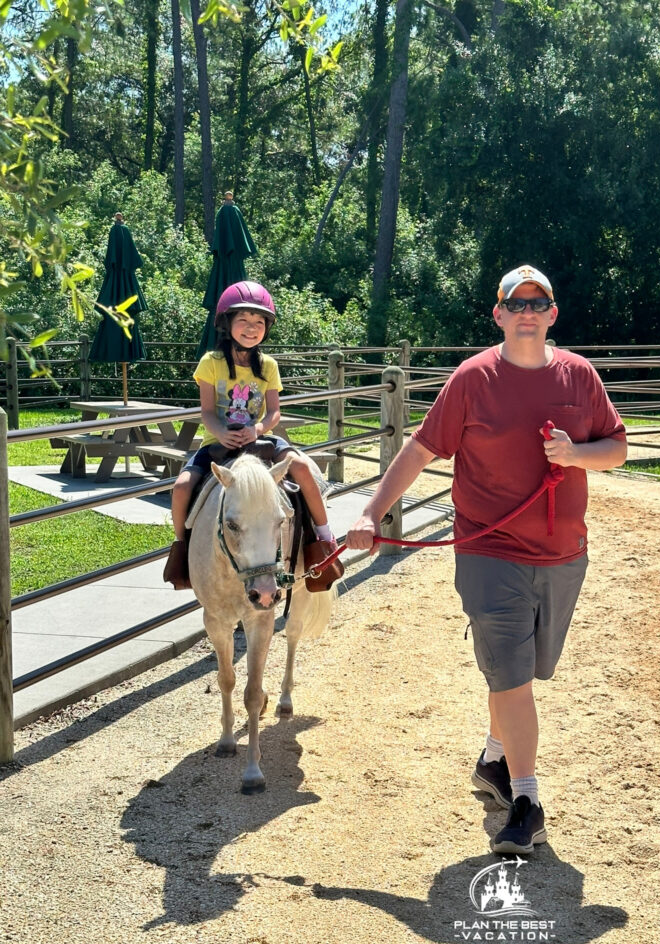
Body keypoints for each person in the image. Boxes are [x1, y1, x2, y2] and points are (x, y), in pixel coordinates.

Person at [346, 265, 627, 856]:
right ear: (497, 313)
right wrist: (372, 512)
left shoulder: (580, 376)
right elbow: (420, 450)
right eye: (514, 302)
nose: (527, 311)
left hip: (562, 553)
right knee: (513, 674)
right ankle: (525, 802)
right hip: (488, 551)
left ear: (553, 313)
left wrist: (577, 455)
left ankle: (496, 758)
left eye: (538, 301)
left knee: (523, 674)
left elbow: (617, 449)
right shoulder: (473, 379)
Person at [163, 280, 335, 589]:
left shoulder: (268, 365)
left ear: (266, 328)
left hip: (258, 439)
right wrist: (221, 434)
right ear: (227, 324)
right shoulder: (211, 363)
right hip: (219, 442)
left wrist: (256, 429)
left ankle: (322, 538)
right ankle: (183, 548)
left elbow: (273, 413)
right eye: (243, 320)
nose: (251, 328)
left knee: (301, 468)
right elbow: (206, 411)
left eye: (258, 322)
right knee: (181, 487)